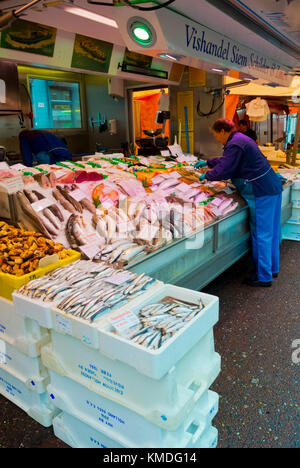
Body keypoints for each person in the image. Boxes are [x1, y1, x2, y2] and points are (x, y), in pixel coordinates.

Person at [200, 118, 282, 288]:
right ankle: (272, 268)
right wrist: (208, 162)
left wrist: (207, 175)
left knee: (262, 234)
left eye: (216, 135)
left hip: (261, 191)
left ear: (223, 131)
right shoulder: (240, 139)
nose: (217, 139)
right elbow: (229, 161)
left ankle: (264, 277)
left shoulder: (235, 143)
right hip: (271, 188)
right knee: (271, 231)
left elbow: (225, 169)